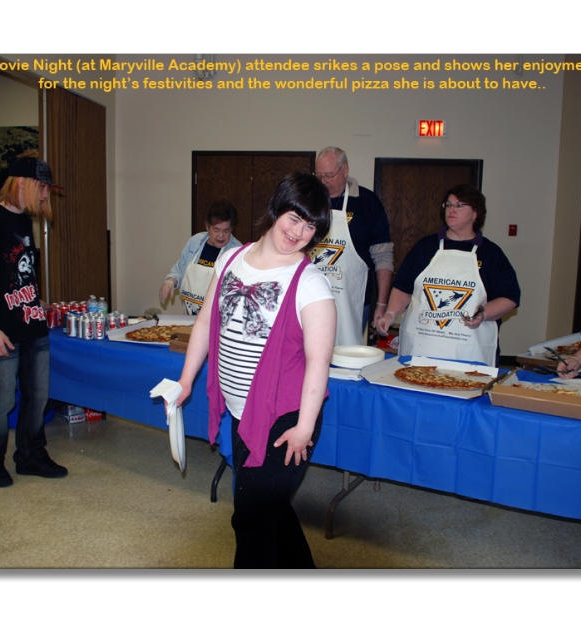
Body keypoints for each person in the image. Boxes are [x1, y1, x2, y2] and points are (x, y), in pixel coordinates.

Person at [175, 173, 335, 568]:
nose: (298, 233)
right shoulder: (231, 259)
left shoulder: (310, 283)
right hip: (243, 412)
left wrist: (304, 429)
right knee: (271, 510)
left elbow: (318, 363)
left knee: (251, 518)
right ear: (276, 209)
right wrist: (185, 380)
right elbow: (204, 323)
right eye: (294, 218)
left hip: (287, 419)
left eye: (310, 226)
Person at [0, 156, 68, 488]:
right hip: (3, 329)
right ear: (22, 183)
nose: (46, 195)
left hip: (32, 325)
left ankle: (30, 456)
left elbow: (18, 274)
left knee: (38, 395)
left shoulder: (25, 222)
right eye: (43, 188)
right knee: (1, 401)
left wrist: (38, 302)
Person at [374, 184, 520, 366]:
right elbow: (403, 288)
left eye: (459, 205)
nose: (451, 210)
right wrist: (390, 314)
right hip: (422, 348)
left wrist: (483, 313)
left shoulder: (491, 254)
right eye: (448, 205)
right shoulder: (425, 247)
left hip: (469, 352)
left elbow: (510, 297)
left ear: (475, 213)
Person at [310, 146, 394, 346]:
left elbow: (383, 256)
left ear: (345, 170)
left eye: (329, 175)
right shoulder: (309, 201)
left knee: (346, 352)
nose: (324, 181)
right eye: (319, 175)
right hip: (312, 295)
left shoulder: (367, 202)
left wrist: (382, 304)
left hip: (353, 298)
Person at [159, 200, 242, 315]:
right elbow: (180, 269)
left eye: (226, 231)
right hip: (189, 317)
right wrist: (170, 282)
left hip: (218, 320)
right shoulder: (195, 242)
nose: (221, 235)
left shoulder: (237, 252)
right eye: (216, 230)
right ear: (207, 226)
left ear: (232, 229)